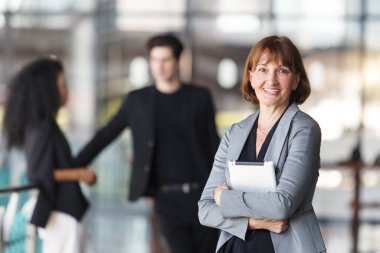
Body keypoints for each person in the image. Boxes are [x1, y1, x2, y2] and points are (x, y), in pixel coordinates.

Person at [74, 33, 220, 253]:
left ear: (178, 61)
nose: (159, 66)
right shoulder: (138, 100)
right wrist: (74, 164)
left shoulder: (199, 97)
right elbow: (106, 134)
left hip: (203, 193)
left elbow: (214, 144)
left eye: (166, 60)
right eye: (154, 60)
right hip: (165, 198)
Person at [198, 35, 326, 253]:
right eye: (263, 70)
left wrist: (225, 198)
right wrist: (256, 223)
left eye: (282, 70)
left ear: (296, 80)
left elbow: (281, 205)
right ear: (251, 77)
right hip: (235, 246)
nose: (272, 80)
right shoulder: (235, 133)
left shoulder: (305, 129)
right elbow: (205, 209)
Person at [2, 57, 97, 253]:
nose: (66, 90)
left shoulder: (45, 125)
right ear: (47, 89)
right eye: (62, 85)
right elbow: (38, 173)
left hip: (64, 211)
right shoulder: (41, 127)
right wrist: (79, 174)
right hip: (59, 213)